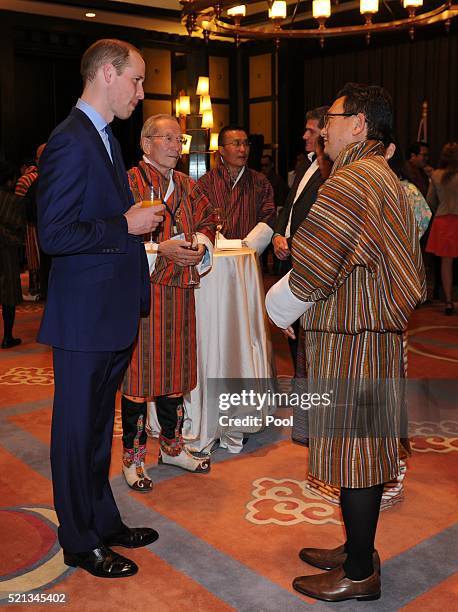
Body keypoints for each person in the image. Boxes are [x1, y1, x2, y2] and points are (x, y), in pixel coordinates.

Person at [266, 83, 425, 602]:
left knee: (356, 454)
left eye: (331, 118)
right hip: (375, 336)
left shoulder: (351, 179)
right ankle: (360, 548)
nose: (323, 128)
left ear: (358, 124)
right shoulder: (383, 176)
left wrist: (281, 308)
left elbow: (314, 268)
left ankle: (359, 572)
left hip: (353, 339)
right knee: (369, 450)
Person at [37, 39, 164, 579]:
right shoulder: (70, 140)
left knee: (95, 431)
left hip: (107, 312)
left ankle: (104, 522)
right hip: (83, 318)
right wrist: (126, 225)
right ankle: (79, 540)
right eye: (136, 80)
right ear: (108, 74)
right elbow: (55, 233)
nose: (140, 92)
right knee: (75, 432)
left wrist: (125, 221)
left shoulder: (104, 136)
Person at [120, 114, 214, 491]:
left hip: (181, 293)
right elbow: (117, 233)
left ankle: (173, 447)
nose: (177, 146)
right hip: (143, 294)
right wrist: (161, 249)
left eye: (180, 139)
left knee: (177, 372)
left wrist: (199, 246)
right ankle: (134, 457)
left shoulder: (189, 185)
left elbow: (209, 220)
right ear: (146, 144)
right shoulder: (128, 182)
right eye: (168, 139)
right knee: (140, 376)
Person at [272, 105, 329, 365]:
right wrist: (278, 235)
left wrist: (293, 242)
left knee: (313, 338)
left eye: (310, 130)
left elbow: (323, 222)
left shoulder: (333, 169)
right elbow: (290, 205)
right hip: (290, 261)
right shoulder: (303, 164)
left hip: (312, 264)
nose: (304, 136)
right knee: (294, 334)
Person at [197, 126, 275, 255]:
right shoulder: (205, 183)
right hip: (216, 255)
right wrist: (224, 245)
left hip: (248, 255)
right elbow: (201, 219)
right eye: (236, 144)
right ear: (221, 149)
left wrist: (246, 246)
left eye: (246, 144)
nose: (243, 149)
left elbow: (268, 217)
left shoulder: (260, 182)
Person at [426, 142, 458, 315]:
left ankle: (448, 301)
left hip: (443, 220)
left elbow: (430, 200)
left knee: (446, 262)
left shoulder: (436, 175)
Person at [0, 162, 26, 349]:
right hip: (6, 253)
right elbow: (18, 231)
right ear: (10, 182)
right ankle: (7, 336)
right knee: (8, 295)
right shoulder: (13, 202)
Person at [15, 144, 45, 300]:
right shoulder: (54, 175)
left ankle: (36, 287)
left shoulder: (25, 180)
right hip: (47, 222)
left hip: (32, 224)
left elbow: (18, 207)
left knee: (34, 255)